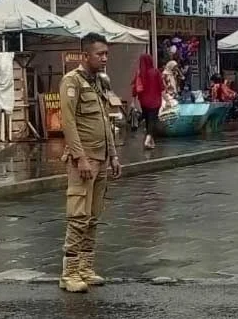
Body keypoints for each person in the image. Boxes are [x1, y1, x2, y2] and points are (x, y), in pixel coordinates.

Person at [57, 32, 123, 293]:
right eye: (100, 54)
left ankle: (85, 267)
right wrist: (79, 157)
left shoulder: (100, 82)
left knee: (94, 217)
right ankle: (69, 272)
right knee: (78, 216)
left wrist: (114, 155)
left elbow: (107, 121)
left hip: (102, 158)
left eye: (106, 53)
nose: (104, 58)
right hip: (83, 161)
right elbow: (68, 122)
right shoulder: (71, 82)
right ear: (85, 55)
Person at [131, 54, 163, 150]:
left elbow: (135, 88)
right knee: (152, 120)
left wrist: (133, 101)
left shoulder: (139, 73)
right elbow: (161, 86)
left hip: (143, 101)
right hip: (155, 100)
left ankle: (151, 142)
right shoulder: (155, 72)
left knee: (148, 120)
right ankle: (148, 139)